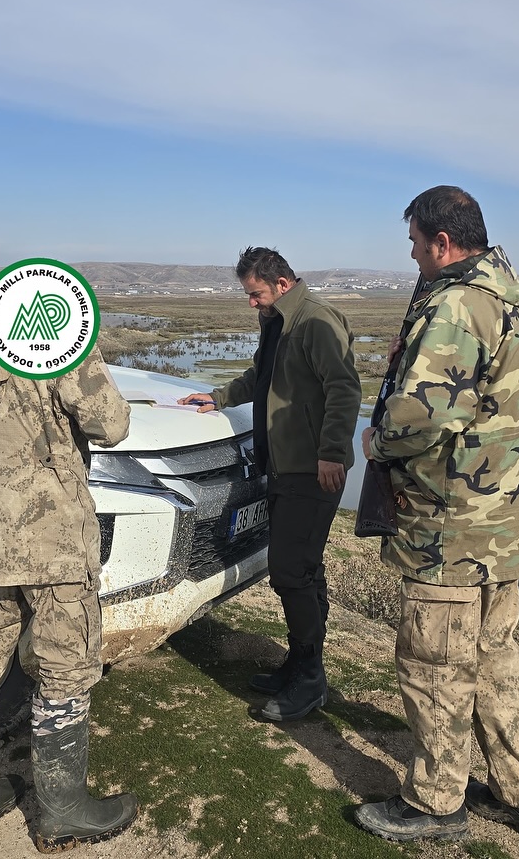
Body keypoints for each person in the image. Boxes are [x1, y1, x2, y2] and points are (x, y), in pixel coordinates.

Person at [352, 186, 519, 843]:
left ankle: (434, 804)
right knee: (495, 656)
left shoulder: (452, 305)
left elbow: (424, 414)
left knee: (436, 663)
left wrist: (375, 441)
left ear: (443, 243)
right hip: (509, 523)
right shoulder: (510, 293)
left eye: (416, 243)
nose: (413, 255)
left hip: (453, 528)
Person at [0, 337, 137, 851]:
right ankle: (62, 811)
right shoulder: (66, 347)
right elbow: (111, 425)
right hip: (54, 540)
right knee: (65, 666)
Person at [178, 247, 361, 721]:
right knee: (303, 570)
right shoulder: (279, 320)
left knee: (289, 572)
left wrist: (331, 453)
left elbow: (344, 388)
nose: (251, 303)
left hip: (313, 468)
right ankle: (301, 663)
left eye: (255, 294)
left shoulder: (317, 321)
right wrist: (217, 397)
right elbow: (262, 377)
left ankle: (310, 679)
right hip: (284, 465)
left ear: (281, 283)